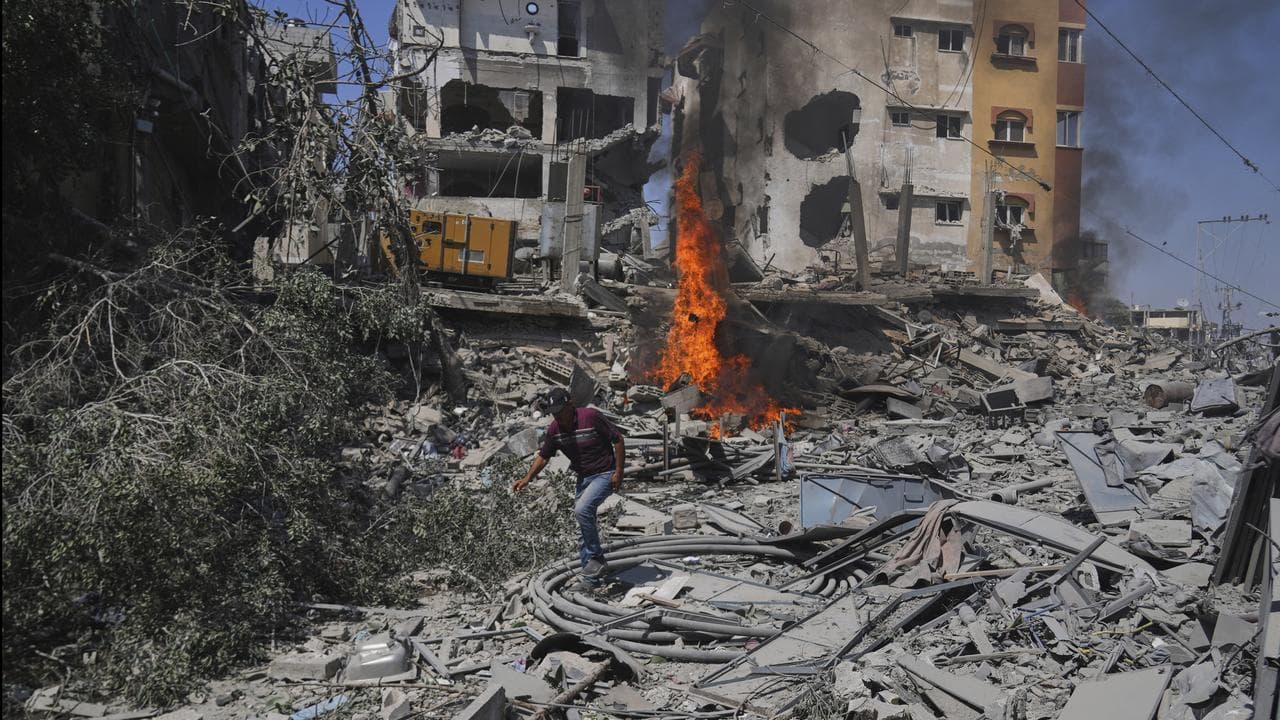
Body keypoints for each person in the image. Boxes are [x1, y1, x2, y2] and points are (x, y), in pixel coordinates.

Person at [513, 388, 625, 587]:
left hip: (604, 473)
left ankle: (597, 559)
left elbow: (618, 440)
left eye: (561, 412)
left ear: (570, 405)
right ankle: (590, 578)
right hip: (584, 478)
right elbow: (544, 456)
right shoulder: (555, 430)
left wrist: (618, 472)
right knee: (581, 526)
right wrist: (527, 478)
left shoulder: (590, 417)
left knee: (582, 509)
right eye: (554, 413)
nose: (558, 417)